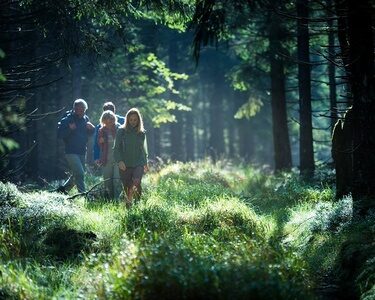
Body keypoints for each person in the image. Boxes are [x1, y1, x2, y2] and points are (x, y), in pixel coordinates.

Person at [57, 99, 95, 193]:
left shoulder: (86, 119)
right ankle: (83, 194)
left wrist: (92, 129)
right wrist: (69, 129)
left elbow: (88, 134)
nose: (79, 111)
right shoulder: (67, 119)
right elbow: (59, 135)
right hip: (71, 151)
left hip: (82, 151)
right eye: (77, 108)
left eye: (81, 109)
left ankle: (63, 190)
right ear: (74, 108)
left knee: (77, 174)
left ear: (85, 109)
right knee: (80, 173)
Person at [114, 108, 149, 207]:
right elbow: (116, 148)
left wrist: (145, 163)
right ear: (127, 120)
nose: (133, 122)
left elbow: (144, 149)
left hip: (138, 162)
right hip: (125, 163)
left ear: (138, 120)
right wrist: (119, 161)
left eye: (135, 120)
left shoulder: (142, 133)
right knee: (127, 187)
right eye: (131, 120)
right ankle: (128, 207)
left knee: (137, 182)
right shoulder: (121, 131)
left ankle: (138, 204)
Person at [97, 110, 121, 199]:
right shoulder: (101, 130)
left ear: (113, 119)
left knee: (117, 180)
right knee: (107, 182)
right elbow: (99, 145)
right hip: (106, 159)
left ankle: (117, 200)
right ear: (103, 120)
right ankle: (111, 201)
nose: (108, 122)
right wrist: (100, 142)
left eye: (110, 120)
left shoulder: (119, 129)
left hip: (118, 159)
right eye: (106, 120)